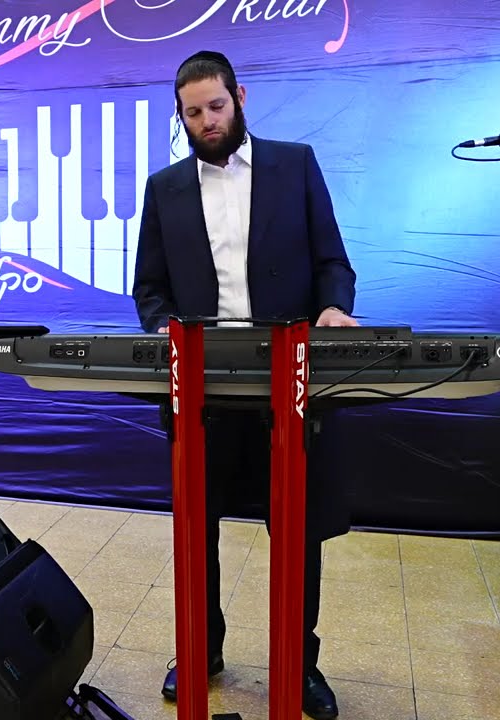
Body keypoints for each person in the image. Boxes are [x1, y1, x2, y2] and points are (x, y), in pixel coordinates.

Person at [131, 51, 358, 720]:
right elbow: (150, 287)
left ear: (240, 98)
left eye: (216, 106)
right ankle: (201, 649)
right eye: (193, 113)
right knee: (196, 527)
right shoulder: (165, 189)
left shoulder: (296, 165)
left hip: (289, 388)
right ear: (181, 116)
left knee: (297, 531)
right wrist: (163, 327)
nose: (207, 121)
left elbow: (333, 262)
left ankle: (299, 662)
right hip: (201, 391)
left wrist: (332, 307)